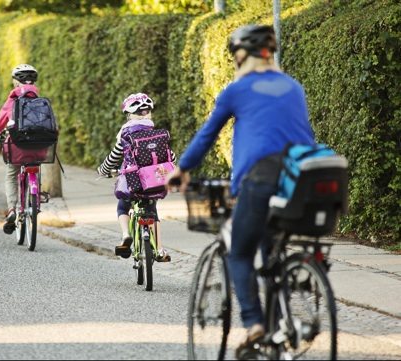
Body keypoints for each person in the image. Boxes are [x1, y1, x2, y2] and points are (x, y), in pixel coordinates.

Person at [166, 25, 316, 357]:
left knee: (239, 251)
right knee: (272, 252)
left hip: (260, 180)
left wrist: (182, 170)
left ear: (241, 55)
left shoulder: (238, 90)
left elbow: (207, 135)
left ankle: (255, 324)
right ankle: (286, 315)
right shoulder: (293, 87)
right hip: (301, 179)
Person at [97, 93, 176, 262]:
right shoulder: (158, 134)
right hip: (153, 183)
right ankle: (160, 249)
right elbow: (172, 158)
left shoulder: (125, 135)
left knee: (122, 206)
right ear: (148, 113)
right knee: (152, 212)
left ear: (130, 115)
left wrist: (103, 170)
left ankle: (126, 235)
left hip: (133, 183)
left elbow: (113, 157)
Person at [0, 64, 39, 234]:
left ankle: (12, 210)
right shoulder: (40, 99)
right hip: (39, 146)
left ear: (16, 81)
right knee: (35, 166)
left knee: (11, 174)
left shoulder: (13, 99)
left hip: (17, 146)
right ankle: (35, 197)